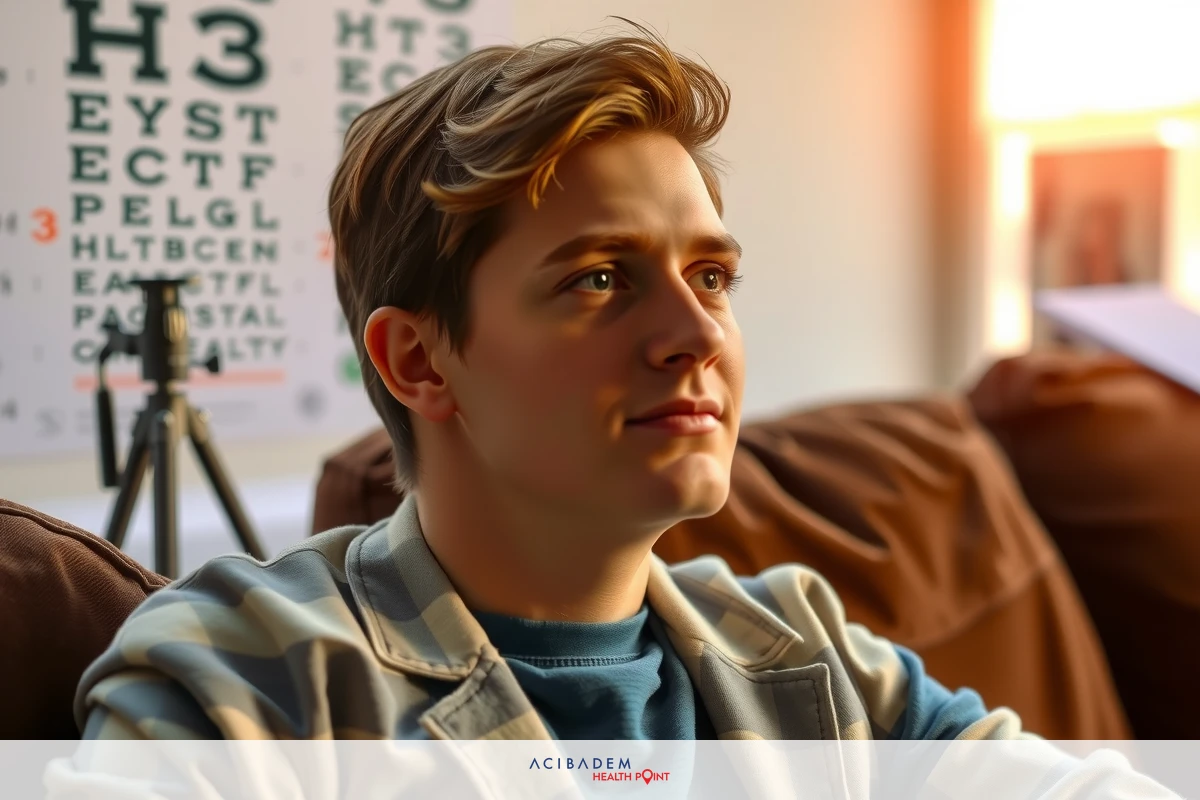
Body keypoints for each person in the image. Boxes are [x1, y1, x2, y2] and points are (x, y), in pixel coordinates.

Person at [74, 25, 1028, 744]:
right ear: (418, 361)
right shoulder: (246, 680)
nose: (700, 334)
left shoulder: (808, 646)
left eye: (710, 277)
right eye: (600, 278)